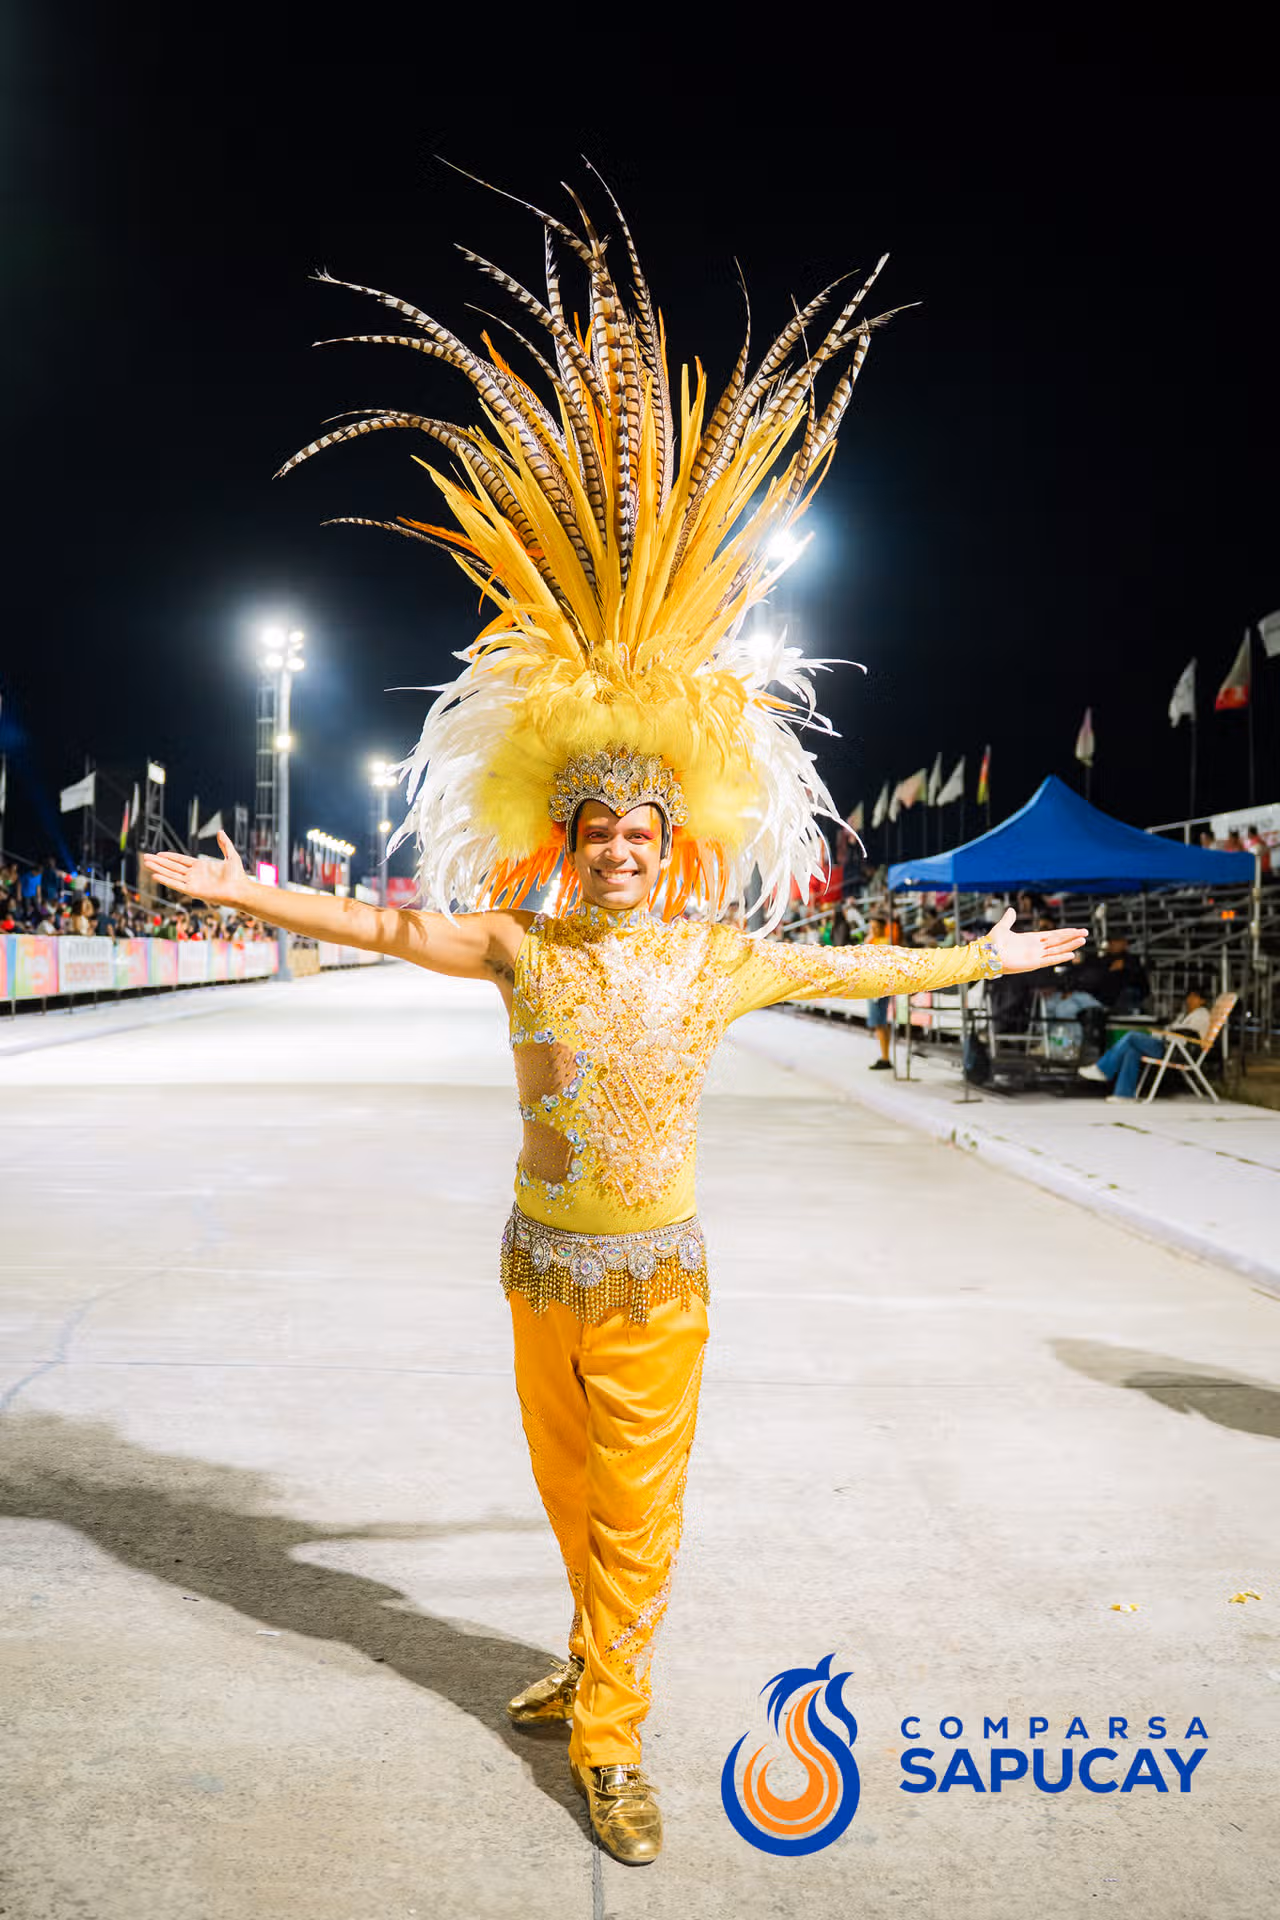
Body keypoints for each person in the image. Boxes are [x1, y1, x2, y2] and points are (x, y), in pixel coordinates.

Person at [144, 181, 1087, 1866]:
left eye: (649, 832)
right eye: (604, 832)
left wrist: (998, 954)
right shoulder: (520, 944)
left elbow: (867, 974)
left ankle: (613, 1735)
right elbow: (383, 920)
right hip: (534, 1265)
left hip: (655, 1276)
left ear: (680, 843)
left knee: (641, 1516)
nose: (628, 849)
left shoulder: (720, 958)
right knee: (574, 1500)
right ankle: (590, 1660)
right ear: (571, 838)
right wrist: (239, 893)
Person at [1077, 984, 1213, 1102]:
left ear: (1202, 1000)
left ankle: (1102, 1069)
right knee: (1131, 1050)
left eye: (1194, 997)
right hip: (1169, 1045)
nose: (1189, 1000)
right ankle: (1124, 1095)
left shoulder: (1202, 1015)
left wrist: (1165, 1033)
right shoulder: (1185, 1015)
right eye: (1189, 996)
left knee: (1131, 1037)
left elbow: (1187, 1035)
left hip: (1178, 1051)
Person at [861, 913, 895, 1068]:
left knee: (879, 1022)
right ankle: (885, 1056)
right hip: (876, 985)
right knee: (881, 1022)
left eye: (875, 927)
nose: (873, 930)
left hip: (879, 986)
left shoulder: (884, 943)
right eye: (871, 927)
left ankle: (885, 1057)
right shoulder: (873, 941)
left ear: (882, 928)